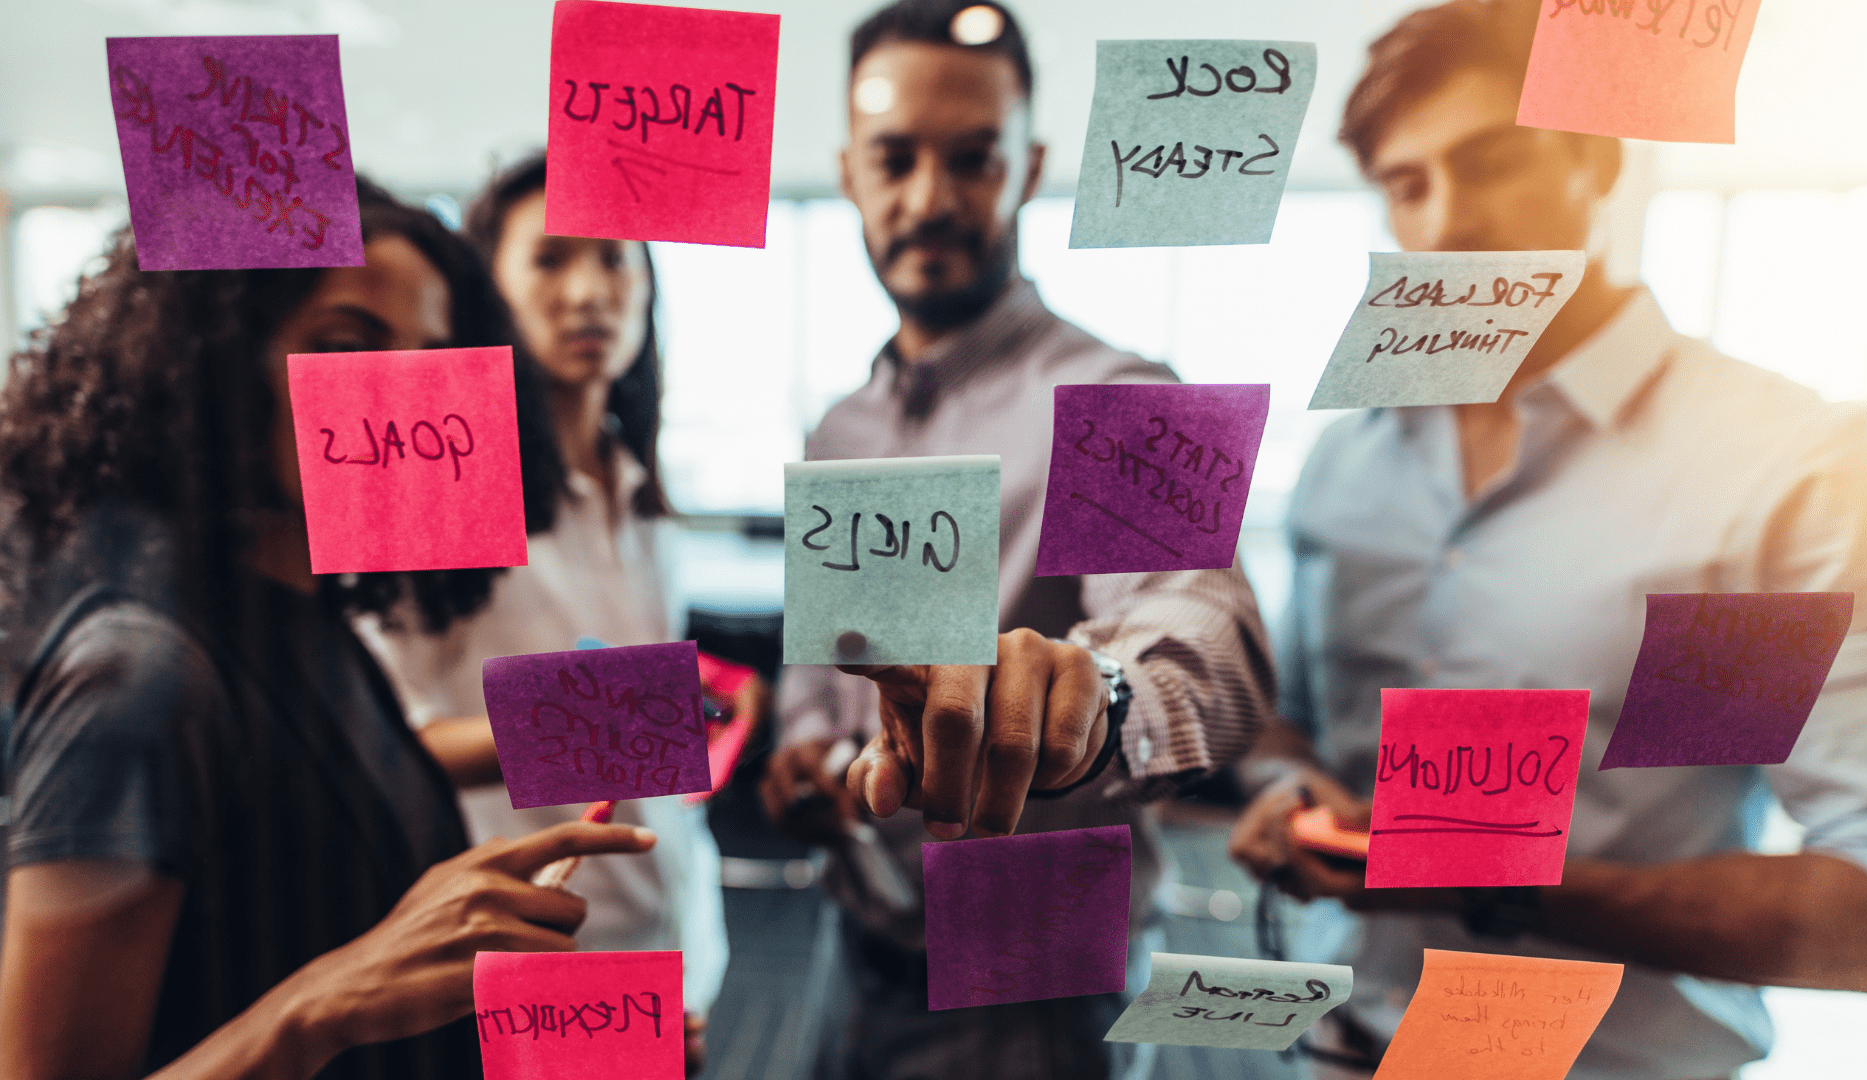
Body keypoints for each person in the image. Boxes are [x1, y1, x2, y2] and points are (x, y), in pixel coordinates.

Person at [1226, 2, 1867, 1077]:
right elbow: (1297, 732)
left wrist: (1480, 877)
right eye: (1407, 185)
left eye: (1491, 161)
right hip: (1338, 1054)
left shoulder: (1781, 475)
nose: (1446, 222)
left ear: (1596, 159)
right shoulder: (1347, 468)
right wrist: (1286, 791)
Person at [0, 178, 654, 1080]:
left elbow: (347, 955)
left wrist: (552, 1038)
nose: (404, 394)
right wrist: (321, 1006)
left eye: (431, 355)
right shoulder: (142, 677)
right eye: (345, 346)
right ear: (215, 367)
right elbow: (337, 988)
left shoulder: (319, 624)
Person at [757, 3, 1277, 1077]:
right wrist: (805, 745)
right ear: (847, 170)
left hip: (1036, 998)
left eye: (974, 158)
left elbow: (1207, 625)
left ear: (1030, 166)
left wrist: (1100, 700)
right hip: (852, 956)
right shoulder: (839, 426)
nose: (931, 199)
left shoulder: (1123, 397)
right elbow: (829, 669)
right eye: (895, 159)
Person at [353, 152, 736, 1074]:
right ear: (492, 290)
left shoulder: (639, 489)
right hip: (530, 977)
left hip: (677, 944)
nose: (587, 293)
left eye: (613, 261)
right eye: (552, 260)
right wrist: (600, 719)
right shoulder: (437, 492)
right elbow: (376, 744)